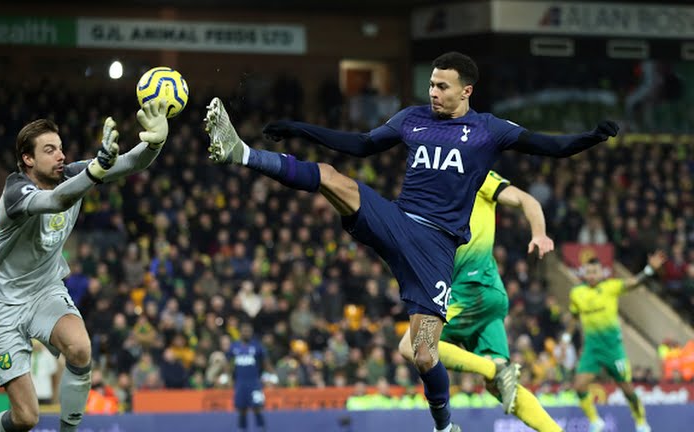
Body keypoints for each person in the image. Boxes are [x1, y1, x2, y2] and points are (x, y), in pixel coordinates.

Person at [205, 51, 618, 432]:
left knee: (423, 354)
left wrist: (592, 137)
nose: (433, 93)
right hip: (397, 222)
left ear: (466, 90)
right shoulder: (412, 119)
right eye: (431, 85)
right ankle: (241, 153)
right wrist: (300, 129)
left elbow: (552, 147)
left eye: (442, 86)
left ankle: (444, 426)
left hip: (436, 250)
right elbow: (364, 145)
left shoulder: (489, 130)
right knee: (331, 177)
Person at [0, 99, 169, 432]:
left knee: (80, 349)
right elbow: (57, 200)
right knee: (26, 418)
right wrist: (95, 171)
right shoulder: (15, 192)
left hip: (44, 290)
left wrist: (155, 142)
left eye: (61, 148)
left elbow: (132, 162)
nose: (61, 156)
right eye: (49, 150)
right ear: (28, 158)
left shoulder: (74, 173)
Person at [397, 171, 564, 432]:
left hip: (471, 292)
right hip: (488, 295)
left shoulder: (473, 176)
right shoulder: (428, 199)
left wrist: (539, 233)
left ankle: (495, 369)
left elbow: (527, 201)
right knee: (502, 388)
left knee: (411, 346)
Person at [570, 253, 666, 432]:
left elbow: (633, 283)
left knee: (627, 389)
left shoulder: (610, 287)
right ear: (584, 273)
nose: (591, 275)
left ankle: (640, 420)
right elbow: (574, 316)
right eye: (588, 272)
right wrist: (566, 338)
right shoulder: (577, 293)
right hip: (592, 349)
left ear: (601, 273)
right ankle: (595, 421)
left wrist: (649, 269)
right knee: (579, 386)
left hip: (613, 350)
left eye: (595, 272)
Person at [226, 321, 272, 432]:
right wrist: (228, 376)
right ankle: (242, 429)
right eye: (244, 331)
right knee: (242, 409)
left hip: (254, 383)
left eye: (249, 331)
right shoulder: (234, 346)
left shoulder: (257, 345)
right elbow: (228, 362)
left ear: (251, 332)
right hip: (240, 383)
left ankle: (262, 428)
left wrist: (270, 376)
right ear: (240, 332)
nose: (247, 333)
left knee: (257, 408)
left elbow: (266, 362)